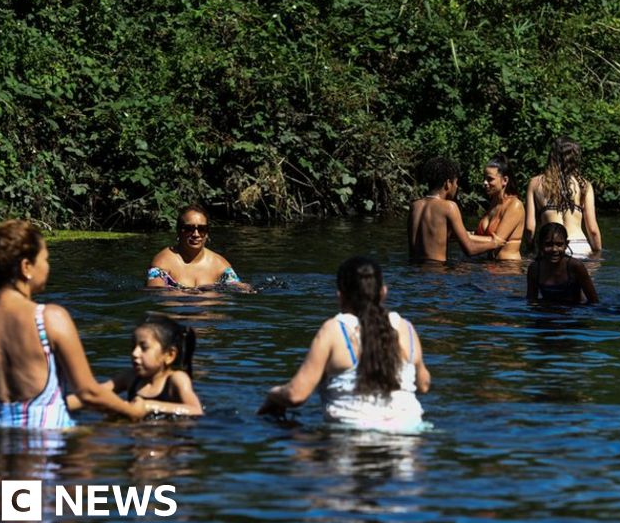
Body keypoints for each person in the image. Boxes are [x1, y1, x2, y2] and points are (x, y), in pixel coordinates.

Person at [0, 219, 147, 428]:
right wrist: (133, 412)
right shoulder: (49, 317)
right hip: (49, 445)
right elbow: (88, 393)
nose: (47, 267)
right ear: (27, 267)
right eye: (45, 259)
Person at [258, 256, 430, 433]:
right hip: (410, 433)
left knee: (290, 437)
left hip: (349, 438)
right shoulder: (406, 328)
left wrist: (273, 395)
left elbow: (296, 395)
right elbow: (423, 385)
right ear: (383, 292)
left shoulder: (334, 329)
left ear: (340, 295)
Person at [70, 315, 204, 416]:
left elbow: (195, 410)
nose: (135, 353)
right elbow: (94, 394)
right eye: (133, 346)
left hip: (167, 438)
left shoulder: (176, 379)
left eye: (144, 348)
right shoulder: (130, 377)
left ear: (169, 355)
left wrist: (149, 406)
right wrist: (58, 405)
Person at [408, 156, 506, 262]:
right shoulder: (449, 207)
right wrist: (494, 243)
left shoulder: (415, 206)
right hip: (436, 273)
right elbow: (469, 249)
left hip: (415, 271)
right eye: (456, 183)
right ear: (448, 183)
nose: (456, 187)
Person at [146, 203, 253, 291]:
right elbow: (156, 292)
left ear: (207, 233)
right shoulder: (163, 261)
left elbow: (241, 290)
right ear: (179, 231)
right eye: (189, 229)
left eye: (202, 229)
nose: (196, 234)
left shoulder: (220, 265)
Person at [525, 137, 602, 258]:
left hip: (551, 247)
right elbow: (592, 229)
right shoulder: (584, 185)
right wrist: (597, 253)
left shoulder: (535, 183)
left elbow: (530, 228)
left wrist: (530, 250)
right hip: (580, 246)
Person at [526, 224, 598, 304]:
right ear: (540, 244)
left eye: (559, 244)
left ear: (566, 244)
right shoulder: (535, 269)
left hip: (574, 310)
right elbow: (531, 301)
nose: (554, 249)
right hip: (547, 310)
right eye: (548, 244)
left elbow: (594, 301)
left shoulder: (576, 266)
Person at [473, 155, 525, 261]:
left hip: (508, 269)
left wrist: (462, 236)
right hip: (491, 267)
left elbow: (496, 241)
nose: (485, 183)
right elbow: (479, 236)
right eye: (484, 178)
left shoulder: (515, 205)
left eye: (490, 179)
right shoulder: (494, 203)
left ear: (505, 180)